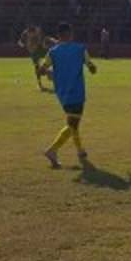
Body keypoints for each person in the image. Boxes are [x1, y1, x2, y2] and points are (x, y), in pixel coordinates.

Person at [38, 22, 98, 168]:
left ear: (59, 35)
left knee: (73, 122)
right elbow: (92, 67)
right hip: (76, 92)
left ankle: (80, 151)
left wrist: (50, 73)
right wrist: (92, 68)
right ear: (71, 33)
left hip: (62, 93)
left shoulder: (52, 52)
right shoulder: (80, 49)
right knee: (73, 123)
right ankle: (52, 150)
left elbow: (41, 70)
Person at [18, 25, 55, 91]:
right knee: (37, 67)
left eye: (33, 33)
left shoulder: (38, 31)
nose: (31, 34)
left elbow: (44, 41)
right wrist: (24, 45)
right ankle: (40, 84)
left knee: (51, 58)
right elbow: (20, 43)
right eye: (30, 33)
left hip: (40, 49)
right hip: (34, 52)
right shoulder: (24, 33)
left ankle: (51, 73)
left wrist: (44, 44)